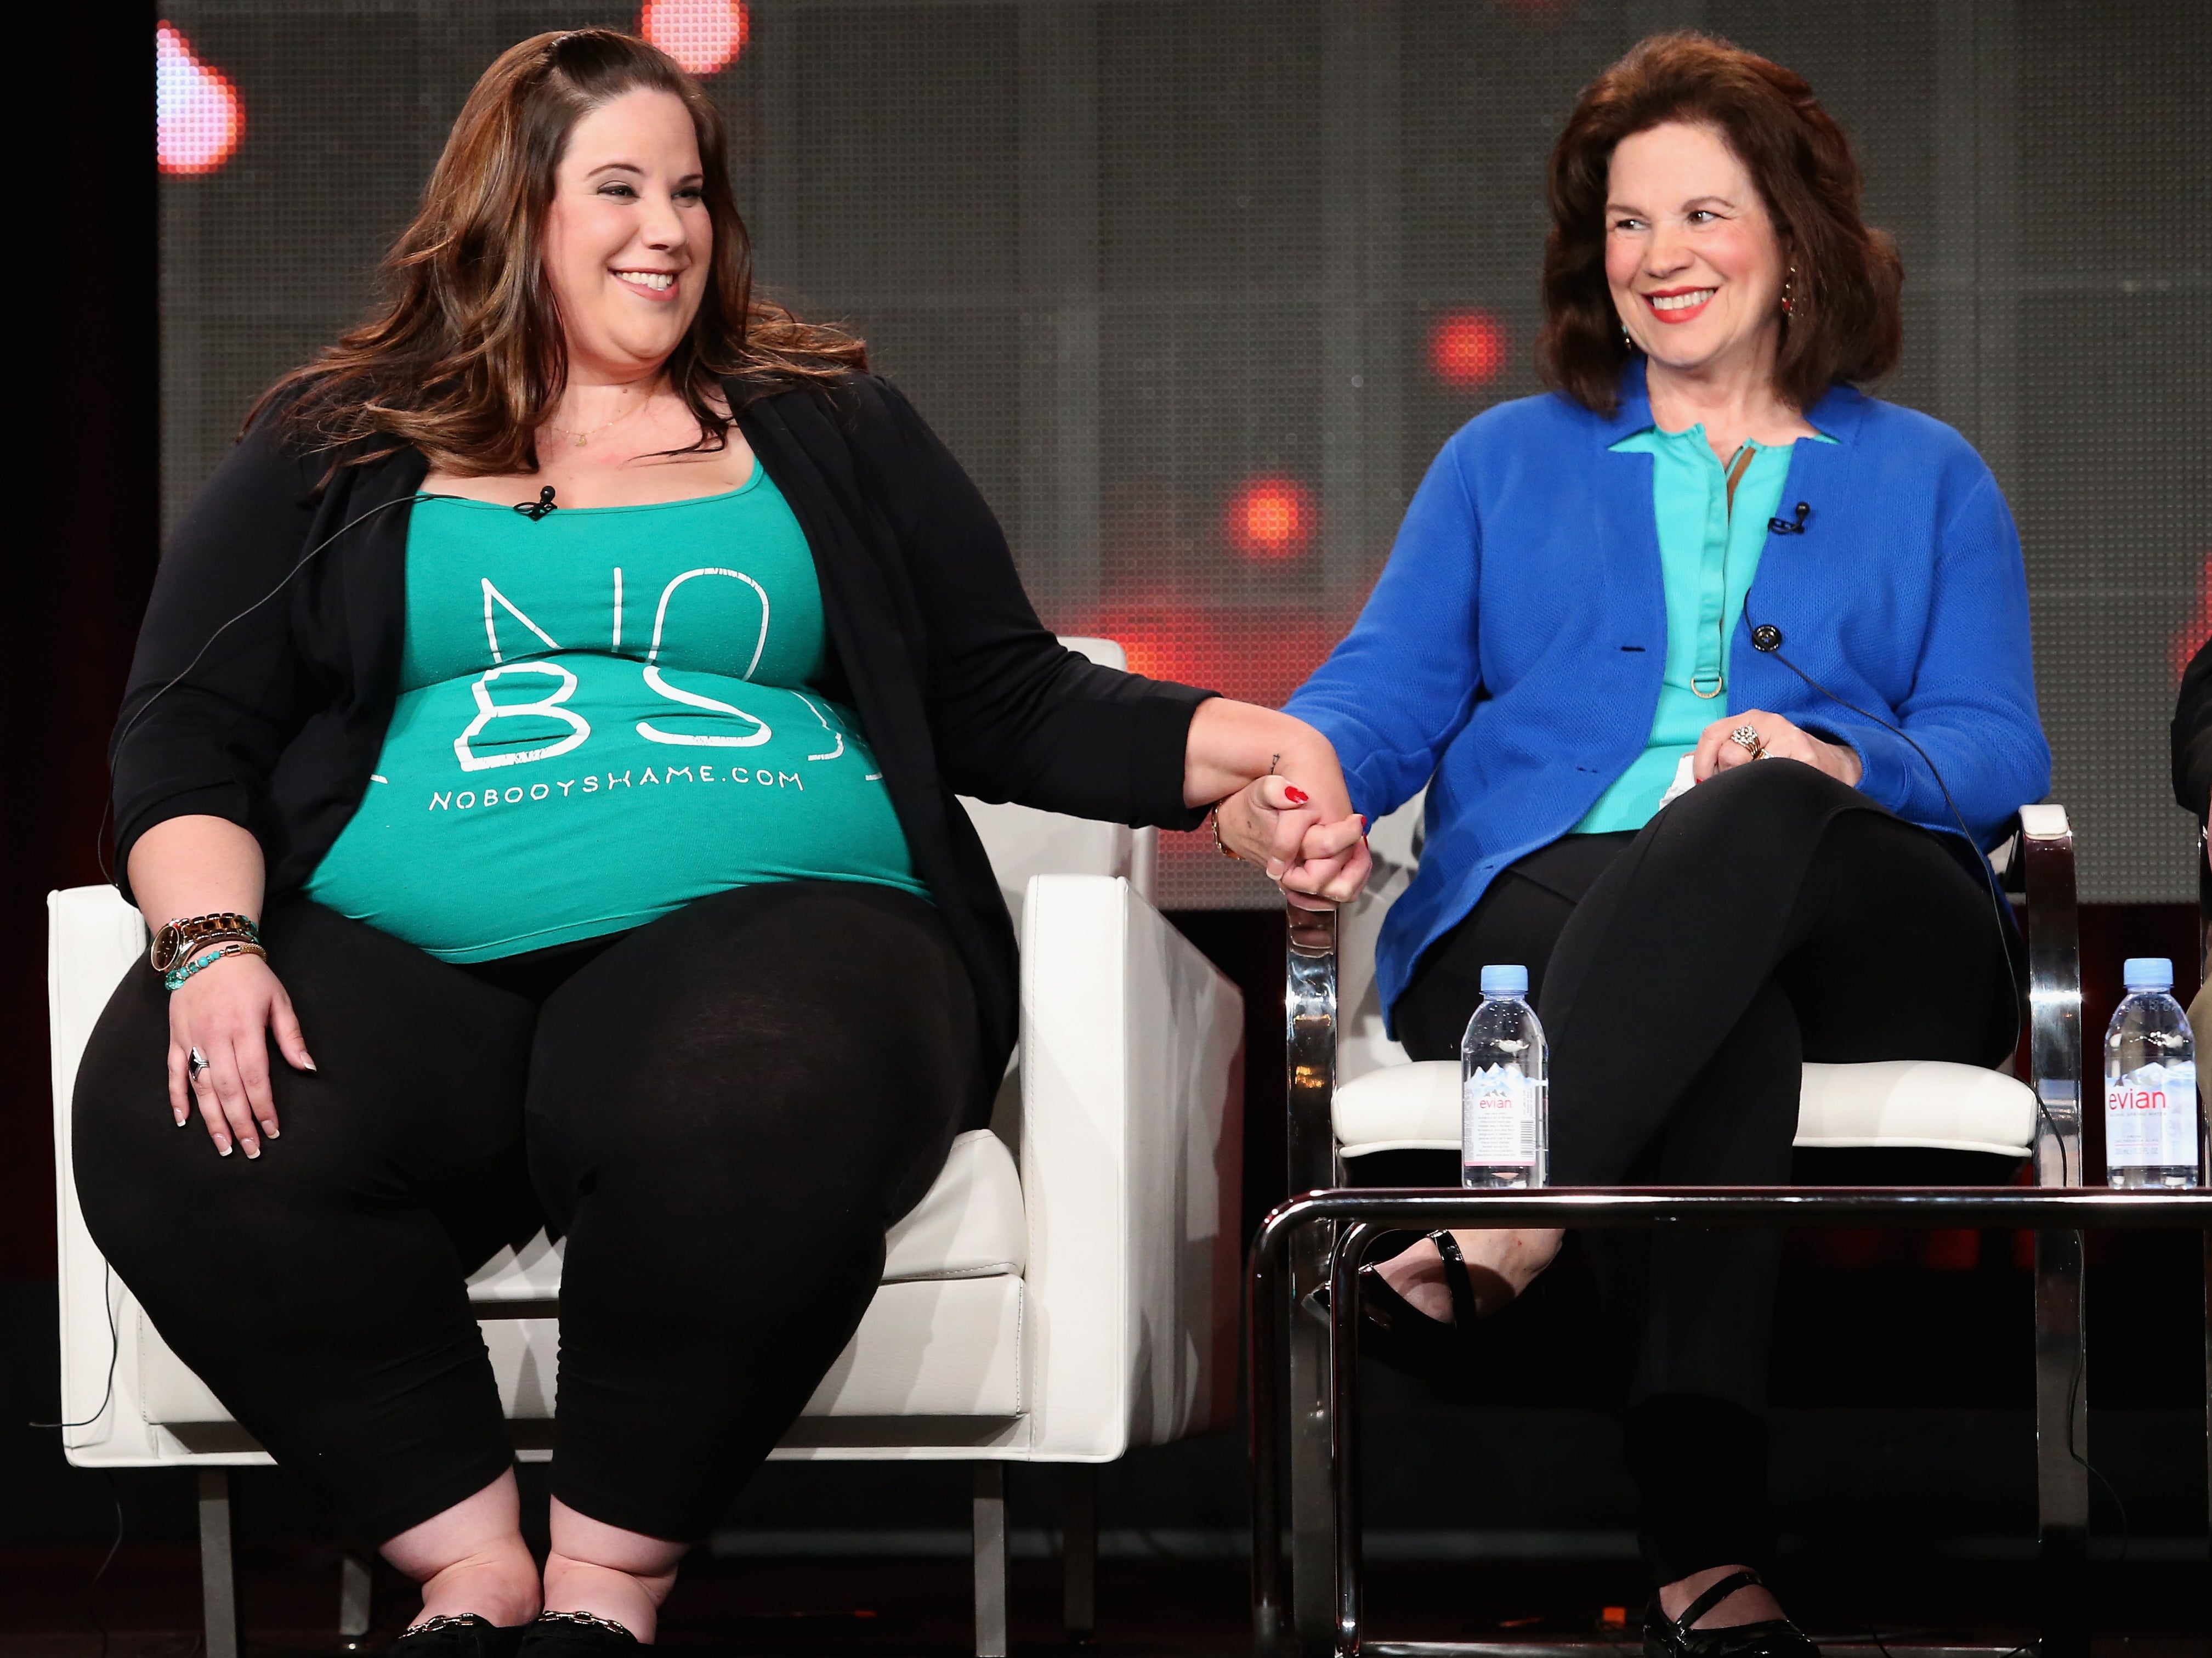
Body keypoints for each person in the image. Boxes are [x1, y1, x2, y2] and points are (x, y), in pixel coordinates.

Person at [74, 30, 1355, 1657]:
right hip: (407, 958)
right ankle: (470, 1582)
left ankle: (605, 1599)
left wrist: (1243, 755)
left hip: (781, 926)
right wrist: (210, 947)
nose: (665, 227)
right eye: (616, 187)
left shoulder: (823, 423)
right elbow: (186, 726)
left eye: (689, 190)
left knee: (747, 1084)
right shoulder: (340, 436)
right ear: (511, 209)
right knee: (177, 1115)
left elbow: (1003, 695)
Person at [1215, 32, 2048, 1655]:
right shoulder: (1502, 466)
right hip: (1544, 921)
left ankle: (1511, 1224)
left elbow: (1997, 747)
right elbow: (1374, 701)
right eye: (1625, 223)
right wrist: (1278, 784)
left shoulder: (1924, 475)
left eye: (1703, 215)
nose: (1660, 258)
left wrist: (1831, 751)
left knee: (1757, 809)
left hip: (1871, 918)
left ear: (1794, 235)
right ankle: (1706, 1566)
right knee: (1714, 1005)